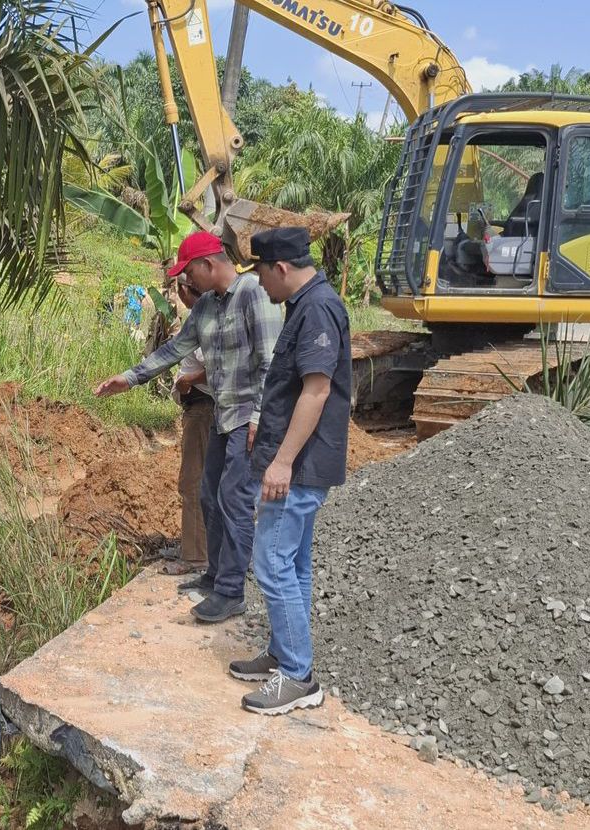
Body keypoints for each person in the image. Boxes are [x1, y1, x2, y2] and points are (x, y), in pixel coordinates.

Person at [94, 231, 282, 623]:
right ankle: (214, 575)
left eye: (189, 272)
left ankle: (231, 592)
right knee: (209, 494)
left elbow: (272, 362)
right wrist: (128, 378)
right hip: (222, 415)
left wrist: (260, 418)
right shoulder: (207, 308)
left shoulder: (254, 294)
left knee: (234, 499)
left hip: (248, 418)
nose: (187, 282)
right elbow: (172, 350)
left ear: (208, 264)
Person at [228, 226, 352, 716]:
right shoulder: (307, 304)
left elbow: (317, 391)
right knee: (293, 564)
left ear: (280, 268)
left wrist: (281, 461)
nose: (259, 284)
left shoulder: (317, 308)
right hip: (299, 462)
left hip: (298, 466)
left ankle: (297, 676)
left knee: (272, 564)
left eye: (260, 273)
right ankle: (283, 654)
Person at [162, 275, 213, 576]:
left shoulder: (203, 319)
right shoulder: (206, 315)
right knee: (198, 480)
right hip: (200, 407)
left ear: (184, 290)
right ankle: (196, 547)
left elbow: (216, 365)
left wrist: (186, 381)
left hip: (202, 407)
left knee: (193, 481)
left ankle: (195, 557)